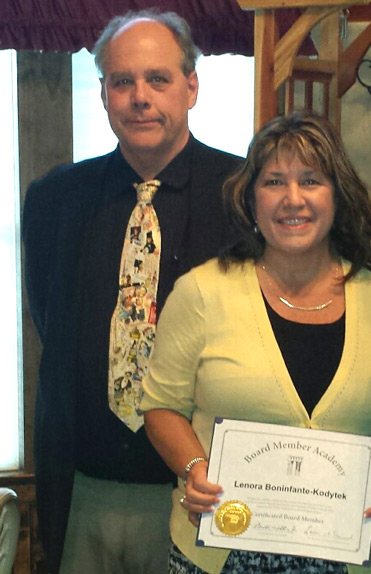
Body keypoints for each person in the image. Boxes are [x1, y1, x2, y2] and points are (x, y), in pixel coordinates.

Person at [22, 9, 243, 574]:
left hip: (200, 491)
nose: (140, 97)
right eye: (123, 81)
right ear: (103, 94)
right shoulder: (55, 198)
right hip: (82, 489)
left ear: (192, 87)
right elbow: (50, 321)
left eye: (158, 79)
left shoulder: (244, 196)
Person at [141, 110, 371, 574]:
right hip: (223, 552)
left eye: (311, 181)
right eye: (274, 182)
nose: (292, 199)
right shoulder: (202, 292)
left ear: (338, 194)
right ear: (251, 198)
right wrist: (194, 469)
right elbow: (161, 406)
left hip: (353, 551)